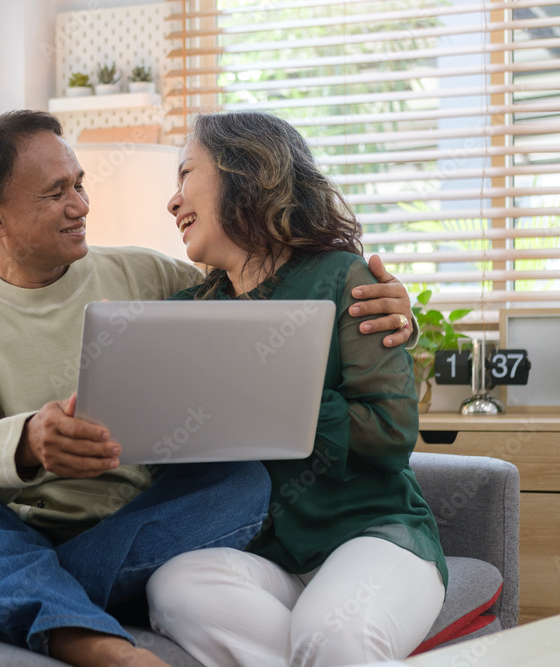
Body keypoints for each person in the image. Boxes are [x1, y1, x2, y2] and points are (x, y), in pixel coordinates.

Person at [0, 109, 418, 667]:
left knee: (243, 482)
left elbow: (260, 291)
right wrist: (27, 442)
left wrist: (394, 315)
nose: (81, 206)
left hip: (149, 526)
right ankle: (93, 640)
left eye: (80, 185)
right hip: (26, 535)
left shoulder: (148, 276)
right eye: (55, 193)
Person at [145, 111, 447, 667]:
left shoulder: (344, 279)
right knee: (174, 586)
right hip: (267, 558)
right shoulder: (186, 316)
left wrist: (275, 390)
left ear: (246, 172)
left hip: (371, 535)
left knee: (331, 633)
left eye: (186, 174)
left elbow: (390, 434)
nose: (173, 200)